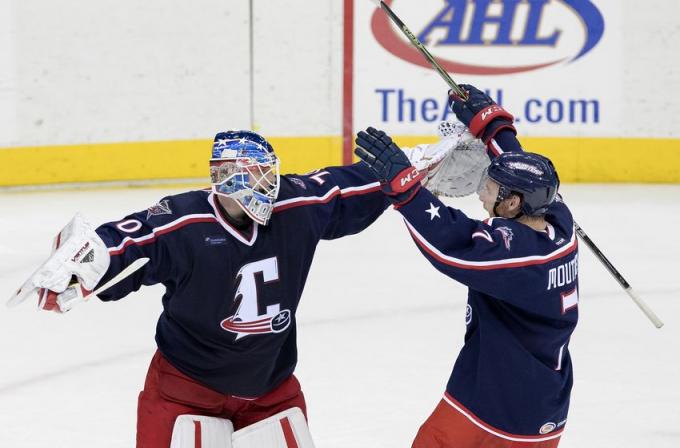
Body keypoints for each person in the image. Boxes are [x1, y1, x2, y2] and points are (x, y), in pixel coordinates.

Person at [10, 129, 449, 447]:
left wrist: (431, 159)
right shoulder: (185, 222)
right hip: (186, 390)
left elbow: (353, 184)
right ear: (225, 180)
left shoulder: (297, 205)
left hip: (270, 389)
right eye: (254, 178)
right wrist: (82, 261)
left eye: (268, 174)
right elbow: (131, 236)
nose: (267, 186)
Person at [354, 85, 579, 448]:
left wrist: (406, 189)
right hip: (543, 404)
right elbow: (521, 162)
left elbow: (450, 245)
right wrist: (493, 125)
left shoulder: (515, 256)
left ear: (512, 204)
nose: (481, 192)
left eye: (490, 187)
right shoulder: (557, 219)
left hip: (494, 404)